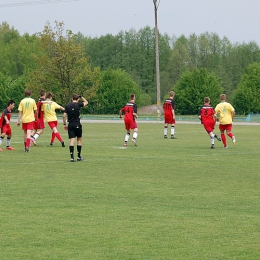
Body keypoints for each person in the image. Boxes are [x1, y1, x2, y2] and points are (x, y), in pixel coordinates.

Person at [62, 94, 88, 162]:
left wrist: (64, 124)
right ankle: (79, 156)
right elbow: (86, 102)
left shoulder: (67, 105)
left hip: (70, 124)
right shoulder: (78, 105)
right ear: (78, 99)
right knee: (79, 139)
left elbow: (64, 116)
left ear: (72, 98)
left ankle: (72, 157)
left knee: (72, 140)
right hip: (77, 124)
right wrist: (82, 96)